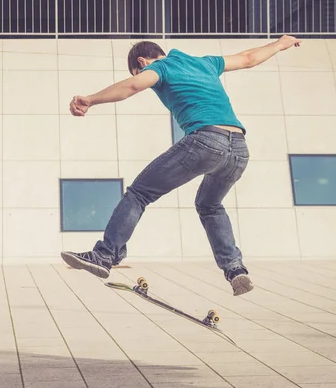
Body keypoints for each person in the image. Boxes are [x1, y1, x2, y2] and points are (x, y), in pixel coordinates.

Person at [61, 35, 302, 296]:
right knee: (209, 205)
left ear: (142, 61)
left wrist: (91, 100)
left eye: (140, 69)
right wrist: (280, 44)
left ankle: (104, 255)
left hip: (206, 141)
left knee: (139, 194)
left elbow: (132, 86)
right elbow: (248, 58)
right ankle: (235, 270)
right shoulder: (205, 63)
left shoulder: (160, 67)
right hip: (239, 149)